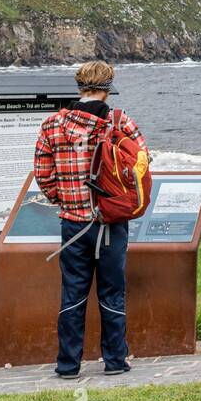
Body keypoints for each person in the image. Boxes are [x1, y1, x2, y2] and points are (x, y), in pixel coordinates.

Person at [34, 61, 150, 379]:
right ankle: (114, 360)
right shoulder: (117, 121)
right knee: (112, 292)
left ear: (78, 85)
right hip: (110, 223)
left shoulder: (52, 125)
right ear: (108, 86)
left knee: (73, 293)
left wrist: (64, 199)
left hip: (73, 224)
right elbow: (142, 161)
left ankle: (68, 365)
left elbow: (43, 175)